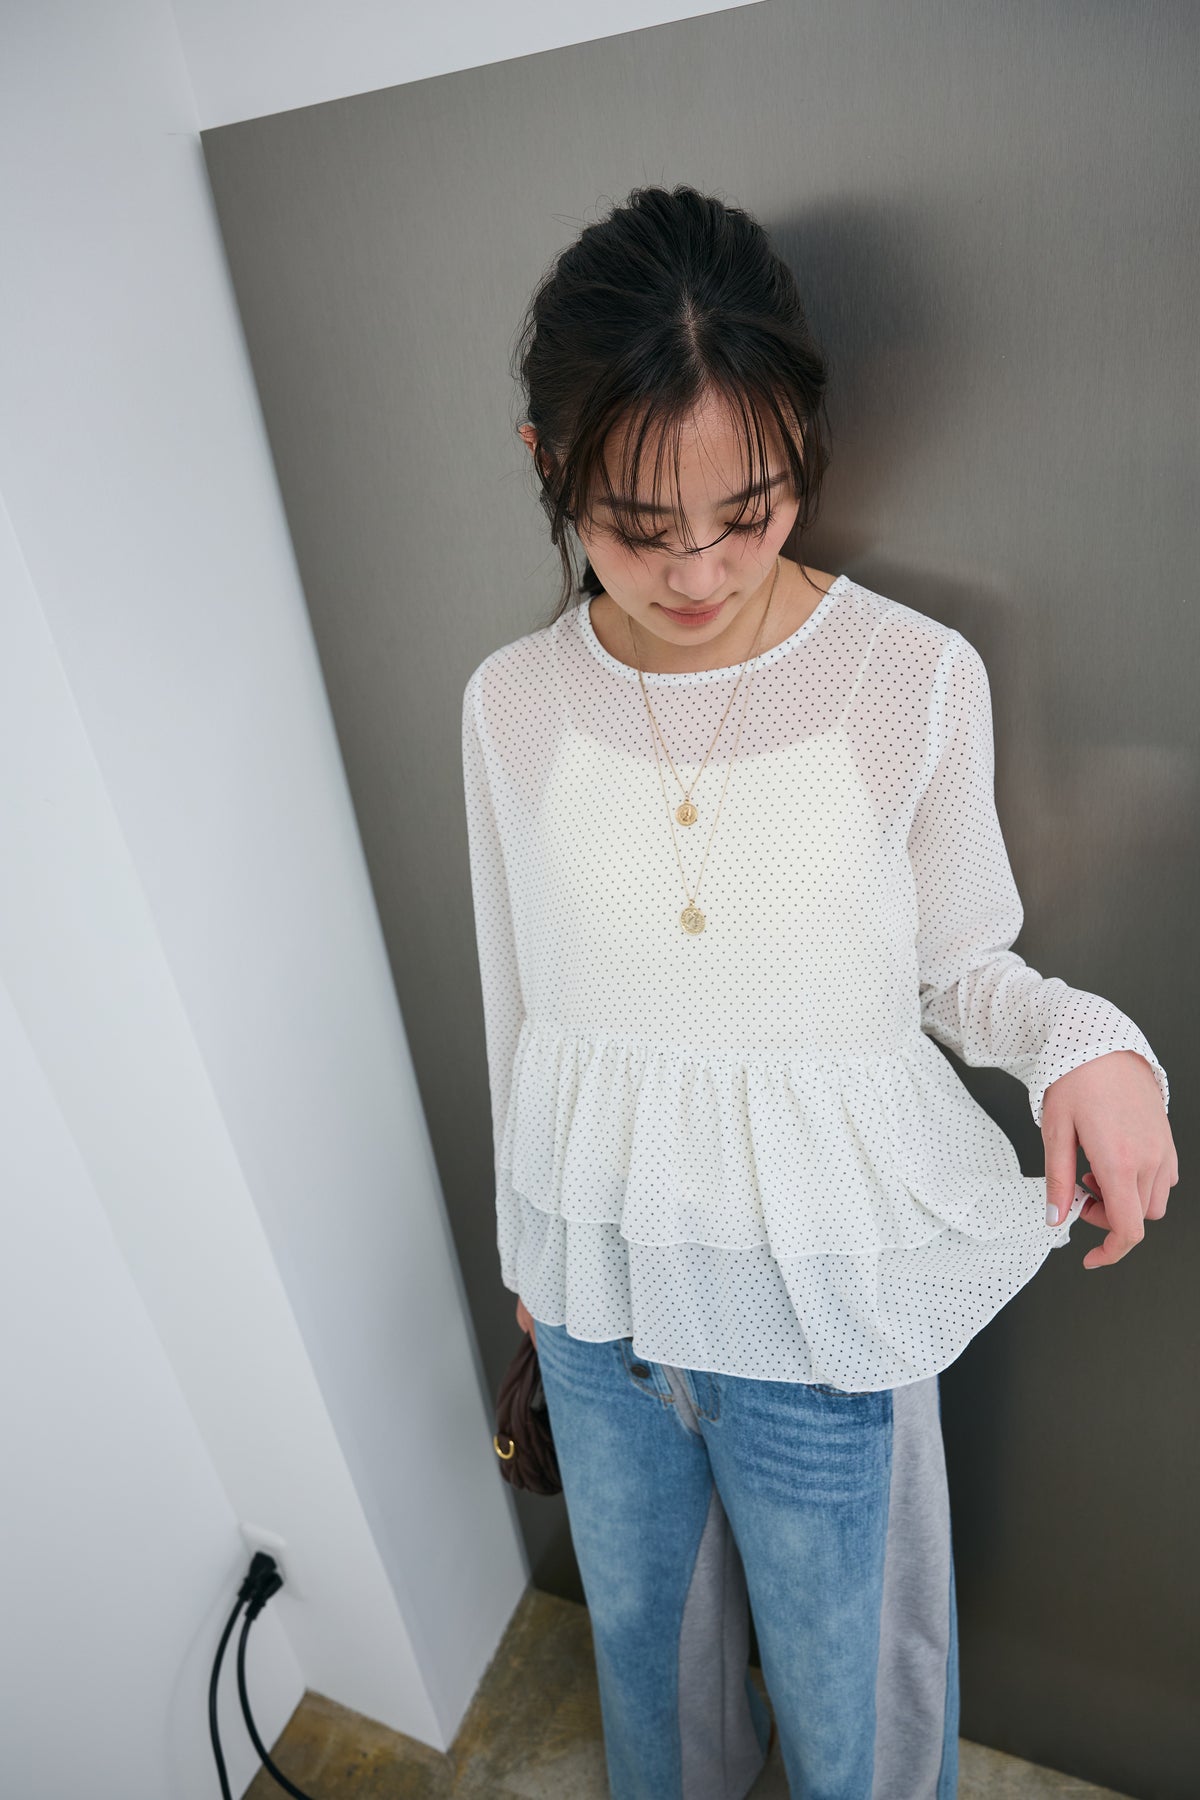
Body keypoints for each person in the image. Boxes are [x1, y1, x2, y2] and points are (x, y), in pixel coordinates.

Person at [460, 185, 1177, 1800]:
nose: (698, 569)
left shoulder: (907, 679)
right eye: (637, 526)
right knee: (646, 1664)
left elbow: (961, 969)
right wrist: (530, 1251)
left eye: (751, 509)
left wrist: (1087, 1045)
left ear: (804, 448)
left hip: (817, 1308)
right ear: (547, 464)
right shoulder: (511, 705)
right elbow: (521, 1002)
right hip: (596, 1298)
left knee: (854, 1699)